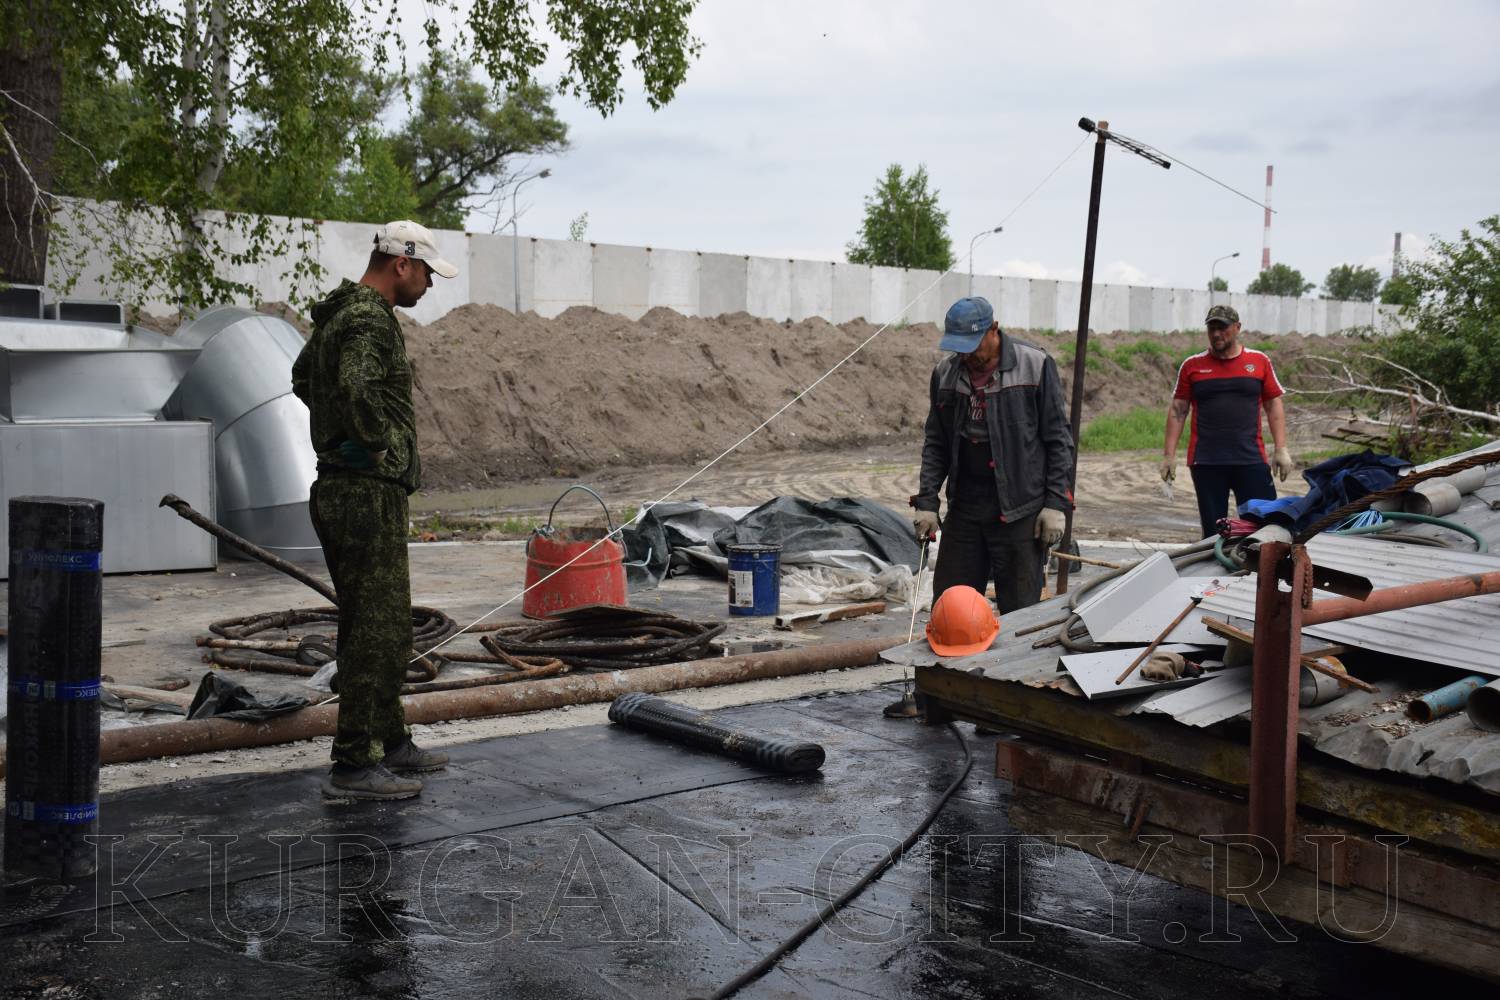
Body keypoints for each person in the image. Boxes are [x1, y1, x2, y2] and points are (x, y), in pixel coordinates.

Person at [292, 220, 458, 801]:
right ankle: (354, 763)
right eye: (427, 274)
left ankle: (389, 740)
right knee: (376, 631)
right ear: (401, 264)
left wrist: (336, 429)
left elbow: (301, 377)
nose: (429, 286)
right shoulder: (368, 318)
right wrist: (375, 442)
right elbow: (358, 385)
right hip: (364, 492)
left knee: (377, 624)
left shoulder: (340, 314)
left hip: (347, 489)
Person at [910, 297, 1075, 613]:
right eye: (960, 348)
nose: (967, 355)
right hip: (966, 506)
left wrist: (1056, 503)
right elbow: (936, 443)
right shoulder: (945, 374)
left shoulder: (1035, 365)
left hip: (1019, 508)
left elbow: (1058, 440)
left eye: (973, 346)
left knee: (1021, 610)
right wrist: (927, 502)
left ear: (994, 329)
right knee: (951, 605)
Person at [1161, 304, 1294, 540]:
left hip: (1250, 459)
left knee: (1264, 528)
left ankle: (1258, 564)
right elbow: (1178, 410)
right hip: (1207, 462)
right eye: (1212, 328)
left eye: (1222, 328)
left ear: (1237, 328)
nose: (1216, 334)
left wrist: (1281, 449)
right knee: (1213, 533)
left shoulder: (1259, 361)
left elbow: (1273, 405)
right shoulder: (1192, 365)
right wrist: (1168, 456)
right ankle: (1216, 564)